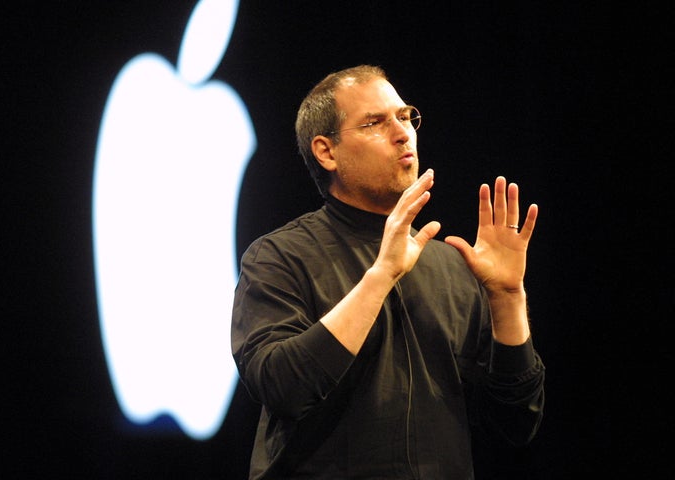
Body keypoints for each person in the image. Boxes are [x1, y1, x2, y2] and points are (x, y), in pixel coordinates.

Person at [231, 64, 545, 479]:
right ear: (326, 152)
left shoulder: (454, 264)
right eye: (374, 123)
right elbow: (284, 388)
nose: (403, 133)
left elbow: (516, 424)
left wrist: (508, 297)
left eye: (405, 116)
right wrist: (380, 277)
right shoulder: (279, 256)